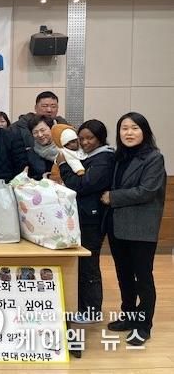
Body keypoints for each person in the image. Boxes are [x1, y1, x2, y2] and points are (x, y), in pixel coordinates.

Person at [100, 112, 166, 346]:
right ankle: (128, 316)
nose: (129, 133)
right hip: (118, 226)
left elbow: (147, 191)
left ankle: (144, 326)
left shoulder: (154, 158)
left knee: (143, 277)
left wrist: (112, 197)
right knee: (124, 275)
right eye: (124, 128)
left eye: (135, 128)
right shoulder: (119, 157)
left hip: (141, 228)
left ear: (145, 132)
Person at [59, 119, 115, 324]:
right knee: (82, 264)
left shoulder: (104, 159)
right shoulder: (89, 156)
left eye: (90, 138)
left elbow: (81, 185)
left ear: (100, 138)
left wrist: (63, 166)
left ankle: (92, 311)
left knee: (89, 264)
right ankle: (82, 307)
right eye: (81, 138)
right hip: (84, 216)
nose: (84, 142)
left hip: (92, 219)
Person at [26, 115, 57, 180]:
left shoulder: (65, 149)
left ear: (52, 128)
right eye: (35, 132)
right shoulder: (30, 154)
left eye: (42, 130)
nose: (40, 135)